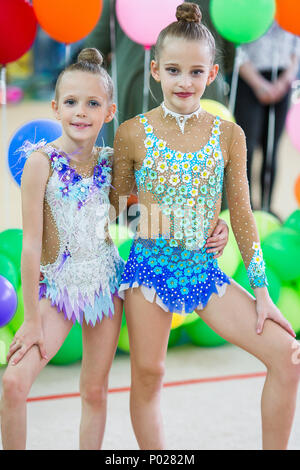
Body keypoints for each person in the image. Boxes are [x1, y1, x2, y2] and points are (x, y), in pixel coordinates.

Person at [109, 3, 300, 450]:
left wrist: (262, 293)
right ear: (155, 70)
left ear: (212, 73)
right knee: (149, 375)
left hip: (201, 270)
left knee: (286, 358)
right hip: (150, 270)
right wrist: (151, 218)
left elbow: (244, 212)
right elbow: (118, 203)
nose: (184, 81)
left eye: (196, 72)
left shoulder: (228, 134)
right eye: (173, 70)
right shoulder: (132, 133)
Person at [0, 48, 125, 450]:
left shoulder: (112, 162)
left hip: (106, 285)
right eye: (71, 102)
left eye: (92, 103)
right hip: (57, 290)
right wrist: (32, 319)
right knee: (14, 383)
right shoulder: (42, 162)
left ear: (109, 111)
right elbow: (32, 246)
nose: (80, 112)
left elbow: (146, 213)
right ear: (55, 107)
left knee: (94, 390)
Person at [84, 0, 235, 147]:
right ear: (155, 69)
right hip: (200, 88)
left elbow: (96, 47)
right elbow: (231, 49)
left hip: (134, 85)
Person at [234, 21, 300, 212]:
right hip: (250, 78)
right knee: (246, 149)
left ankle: (266, 207)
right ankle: (244, 210)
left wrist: (286, 79)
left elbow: (296, 41)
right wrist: (258, 84)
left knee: (272, 148)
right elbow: (236, 46)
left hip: (283, 78)